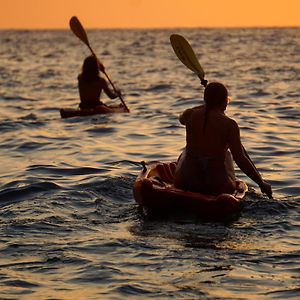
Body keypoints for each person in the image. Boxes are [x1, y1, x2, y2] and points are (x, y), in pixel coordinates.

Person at [174, 82, 272, 198]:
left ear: (205, 100)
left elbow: (181, 118)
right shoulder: (229, 124)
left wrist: (205, 105)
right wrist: (261, 183)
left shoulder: (190, 115)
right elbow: (240, 159)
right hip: (216, 186)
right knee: (228, 155)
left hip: (186, 181)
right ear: (225, 101)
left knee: (185, 152)